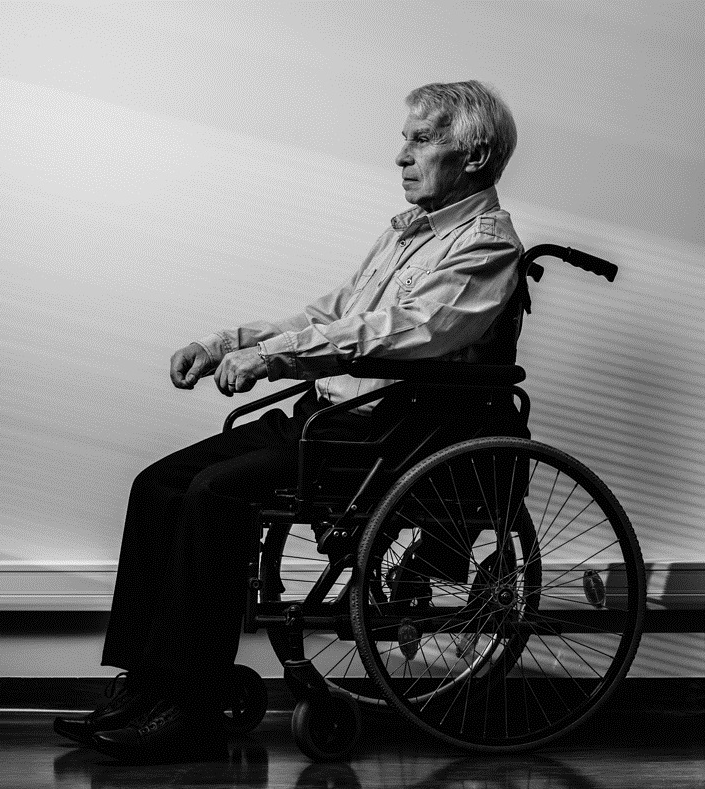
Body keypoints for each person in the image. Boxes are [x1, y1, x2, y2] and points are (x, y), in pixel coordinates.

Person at [54, 80, 524, 763]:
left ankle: (189, 707)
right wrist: (227, 342)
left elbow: (407, 330)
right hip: (334, 416)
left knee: (216, 493)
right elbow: (330, 314)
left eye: (422, 139)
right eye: (406, 138)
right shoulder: (406, 237)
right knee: (158, 483)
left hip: (390, 433)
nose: (401, 155)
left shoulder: (485, 245)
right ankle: (147, 684)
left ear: (474, 156)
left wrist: (271, 359)